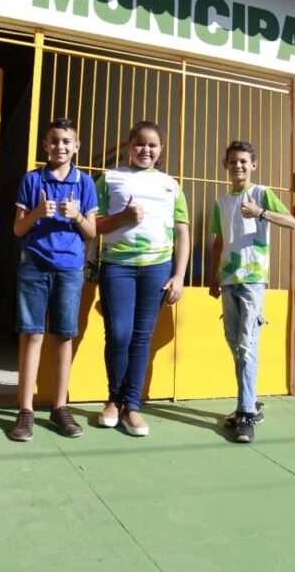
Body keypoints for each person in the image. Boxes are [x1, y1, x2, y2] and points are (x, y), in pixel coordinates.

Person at [94, 120, 190, 437]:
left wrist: (179, 275)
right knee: (118, 334)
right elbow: (92, 224)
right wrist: (123, 217)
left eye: (152, 145)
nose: (145, 150)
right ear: (128, 145)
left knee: (141, 337)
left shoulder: (171, 184)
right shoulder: (110, 178)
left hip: (157, 269)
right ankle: (113, 400)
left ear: (160, 150)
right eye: (139, 143)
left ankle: (132, 407)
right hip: (117, 266)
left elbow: (182, 231)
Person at [9, 118, 98, 442]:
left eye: (66, 141)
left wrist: (75, 215)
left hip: (70, 269)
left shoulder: (85, 183)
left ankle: (60, 407)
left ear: (76, 146)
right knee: (31, 335)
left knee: (64, 335)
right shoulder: (32, 180)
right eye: (54, 141)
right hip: (33, 266)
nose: (60, 146)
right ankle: (25, 410)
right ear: (45, 146)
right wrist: (36, 213)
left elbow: (92, 233)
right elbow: (18, 229)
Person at [208, 140, 295, 443]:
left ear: (253, 165)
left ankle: (246, 413)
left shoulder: (261, 194)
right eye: (233, 161)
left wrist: (261, 213)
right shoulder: (221, 201)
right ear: (225, 165)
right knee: (235, 344)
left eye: (244, 161)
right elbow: (219, 241)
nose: (239, 166)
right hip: (229, 279)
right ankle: (250, 403)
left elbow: (293, 222)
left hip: (253, 279)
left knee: (247, 345)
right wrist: (213, 277)